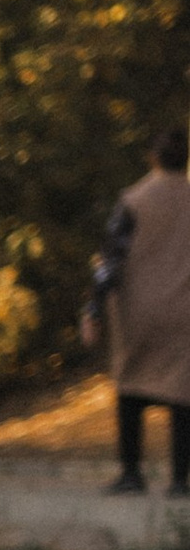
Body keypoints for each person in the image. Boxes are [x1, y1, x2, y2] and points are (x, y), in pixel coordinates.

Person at [85, 124, 190, 496]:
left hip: (137, 310)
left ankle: (132, 473)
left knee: (130, 387)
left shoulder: (134, 200)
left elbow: (110, 260)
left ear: (152, 157)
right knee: (182, 394)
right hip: (184, 312)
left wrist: (93, 309)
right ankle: (180, 480)